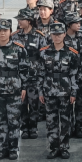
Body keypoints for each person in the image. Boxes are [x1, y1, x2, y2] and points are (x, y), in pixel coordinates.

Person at [0, 18, 31, 160]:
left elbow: (25, 70)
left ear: (10, 31)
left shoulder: (19, 48)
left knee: (14, 121)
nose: (2, 33)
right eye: (0, 30)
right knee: (1, 121)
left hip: (14, 90)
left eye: (5, 30)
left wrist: (24, 88)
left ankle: (13, 149)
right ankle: (3, 148)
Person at [38, 23, 79, 159]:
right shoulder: (44, 52)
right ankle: (54, 147)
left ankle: (64, 147)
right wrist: (40, 91)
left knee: (65, 120)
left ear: (64, 35)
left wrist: (74, 92)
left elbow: (74, 74)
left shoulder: (71, 53)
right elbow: (41, 74)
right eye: (54, 34)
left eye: (59, 34)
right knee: (51, 121)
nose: (56, 37)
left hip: (65, 91)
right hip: (49, 91)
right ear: (51, 35)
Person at [12, 8, 48, 140]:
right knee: (21, 103)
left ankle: (33, 127)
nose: (19, 22)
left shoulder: (39, 36)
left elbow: (44, 56)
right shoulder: (15, 36)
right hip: (19, 75)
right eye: (18, 19)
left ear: (29, 21)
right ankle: (24, 128)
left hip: (34, 74)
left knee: (34, 103)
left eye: (21, 19)